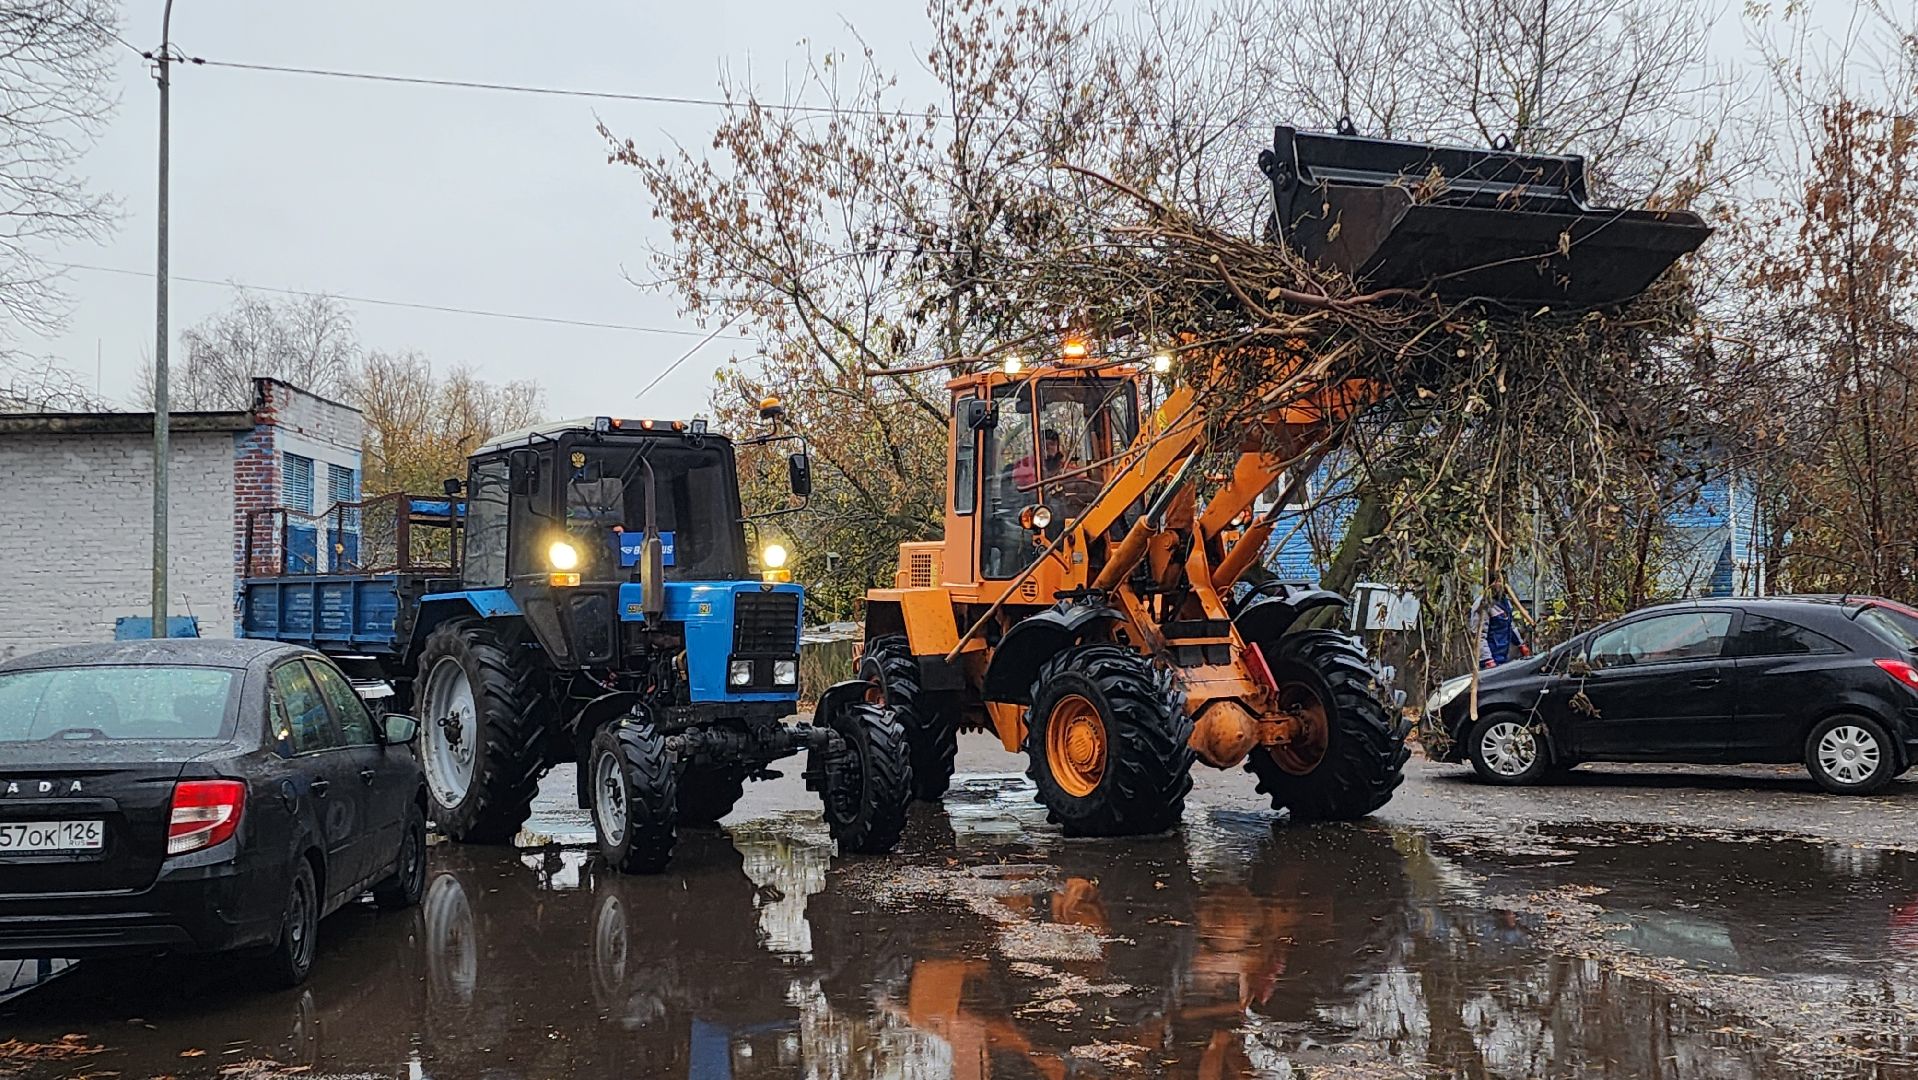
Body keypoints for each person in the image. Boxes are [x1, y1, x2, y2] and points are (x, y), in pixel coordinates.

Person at [1472, 578, 1532, 669]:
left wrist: (1521, 645)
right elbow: (1479, 635)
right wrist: (1487, 659)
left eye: (1501, 581)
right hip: (1490, 658)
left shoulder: (1505, 601)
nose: (1499, 584)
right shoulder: (1483, 604)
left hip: (1503, 655)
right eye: (1496, 581)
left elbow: (1510, 625)